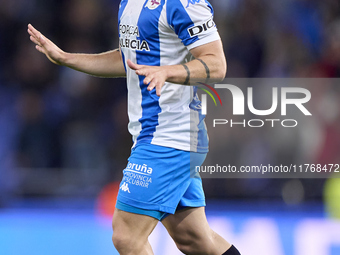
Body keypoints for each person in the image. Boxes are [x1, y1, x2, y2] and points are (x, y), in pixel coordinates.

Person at [28, 0, 241, 254]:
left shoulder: (182, 4)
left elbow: (216, 63)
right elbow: (131, 58)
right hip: (152, 135)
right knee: (193, 238)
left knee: (126, 235)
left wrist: (167, 72)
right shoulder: (128, 3)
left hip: (170, 136)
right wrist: (67, 58)